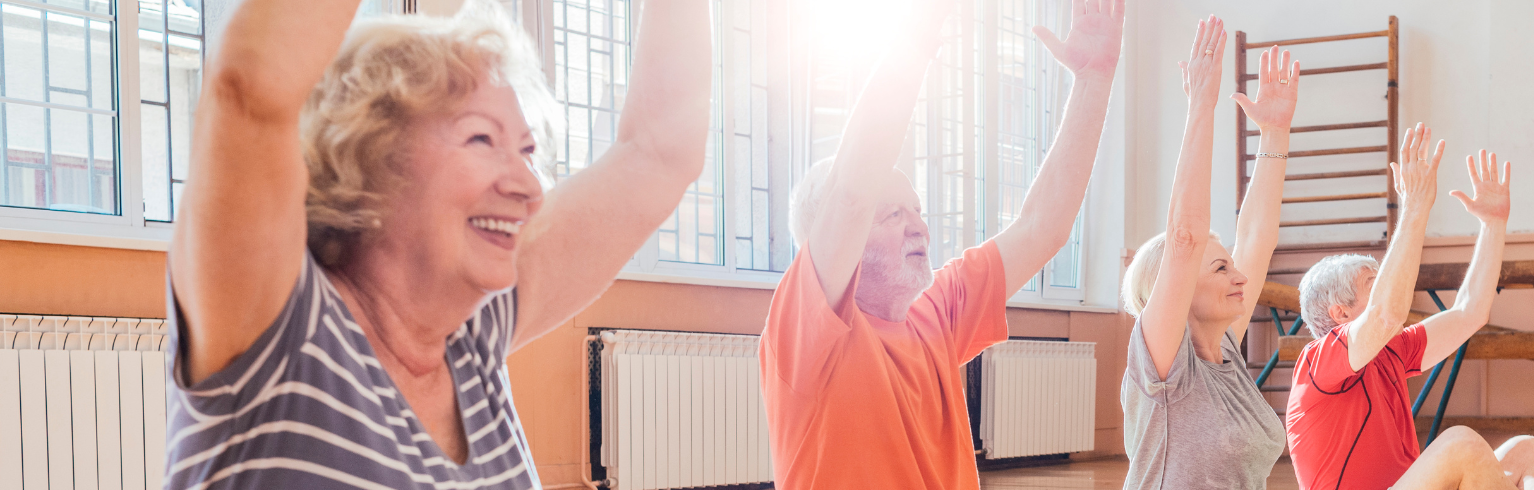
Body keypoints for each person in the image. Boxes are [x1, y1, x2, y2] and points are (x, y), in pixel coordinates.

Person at [163, 0, 710, 487]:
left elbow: (659, 152)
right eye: (482, 138)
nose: (528, 187)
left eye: (526, 151)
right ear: (369, 154)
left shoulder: (474, 334)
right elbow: (252, 87)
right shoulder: (280, 324)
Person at [757, 0, 1123, 487]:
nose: (920, 228)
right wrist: (918, 31)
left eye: (918, 212)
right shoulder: (806, 328)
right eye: (893, 214)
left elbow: (1042, 227)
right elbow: (849, 192)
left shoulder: (937, 310)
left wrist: (1094, 81)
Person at [1284, 124, 1534, 490]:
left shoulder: (1392, 352)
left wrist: (1493, 225)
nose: (1392, 285)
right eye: (1375, 282)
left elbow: (1471, 312)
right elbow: (1385, 315)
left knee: (1526, 451)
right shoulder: (1316, 362)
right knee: (1461, 445)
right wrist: (1416, 206)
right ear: (1340, 313)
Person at [1116, 15, 1298, 490]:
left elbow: (1258, 235)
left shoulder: (1226, 354)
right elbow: (1185, 236)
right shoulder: (1161, 367)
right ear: (1172, 290)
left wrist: (1275, 136)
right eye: (1221, 268)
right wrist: (1202, 103)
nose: (1240, 277)